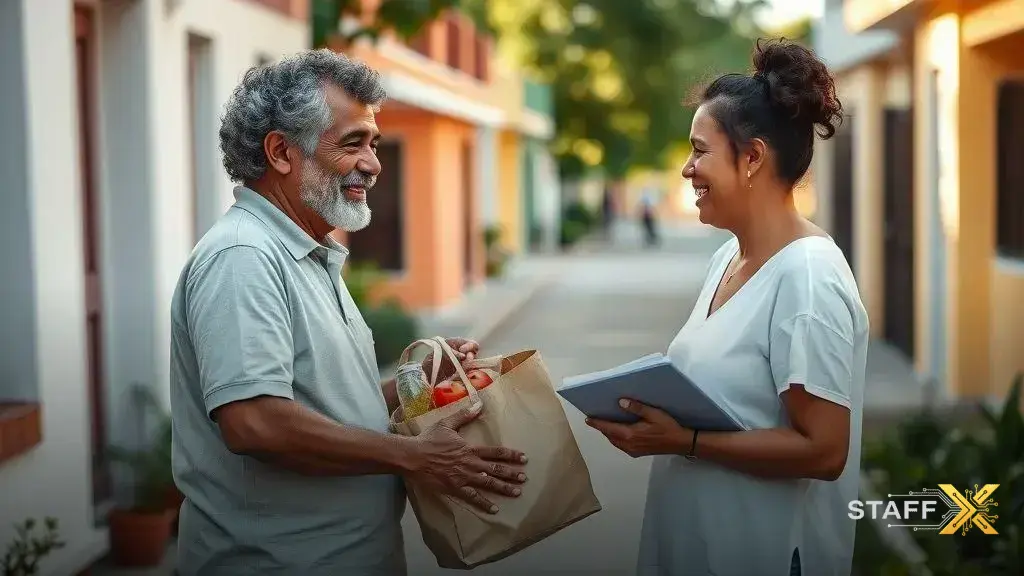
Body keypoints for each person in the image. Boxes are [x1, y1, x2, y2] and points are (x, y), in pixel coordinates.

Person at [169, 49, 527, 576]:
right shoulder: (243, 257)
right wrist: (415, 457)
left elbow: (321, 405)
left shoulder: (309, 253)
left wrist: (410, 383)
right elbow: (256, 423)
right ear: (281, 152)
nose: (373, 163)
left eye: (374, 143)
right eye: (352, 143)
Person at [586, 38, 867, 576]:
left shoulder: (807, 279)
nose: (687, 169)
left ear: (753, 157)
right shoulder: (727, 258)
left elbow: (825, 450)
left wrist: (686, 441)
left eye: (699, 150)